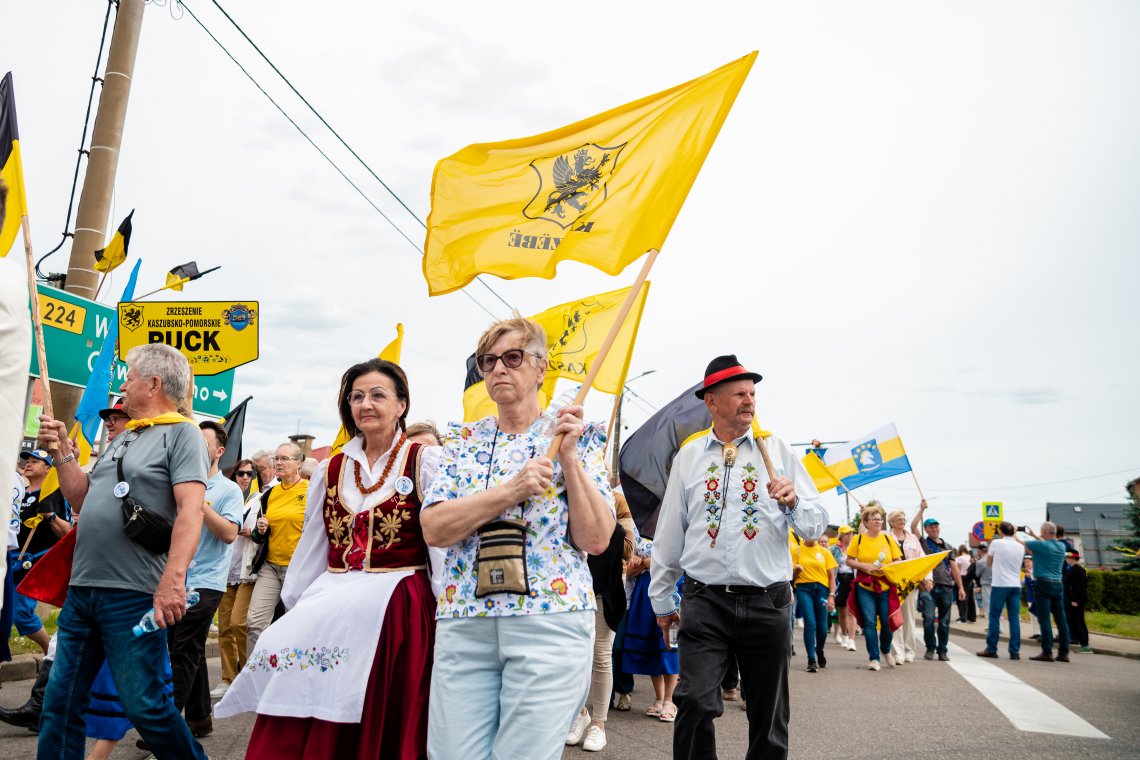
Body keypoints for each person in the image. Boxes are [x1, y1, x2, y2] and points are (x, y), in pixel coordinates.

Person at [217, 358, 441, 759]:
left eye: (377, 395)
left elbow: (440, 546)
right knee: (305, 691)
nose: (365, 404)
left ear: (402, 405)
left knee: (381, 707)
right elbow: (314, 546)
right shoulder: (330, 469)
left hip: (398, 609)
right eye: (356, 396)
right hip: (333, 600)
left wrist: (445, 610)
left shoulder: (424, 462)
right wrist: (300, 608)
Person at [421, 315, 615, 760]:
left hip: (549, 620)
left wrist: (569, 460)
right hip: (466, 621)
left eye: (512, 358)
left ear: (541, 367)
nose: (498, 369)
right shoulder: (464, 442)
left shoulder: (575, 438)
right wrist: (511, 491)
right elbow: (434, 527)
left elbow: (597, 539)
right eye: (487, 361)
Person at [34, 343, 210, 759]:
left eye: (129, 378)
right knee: (60, 702)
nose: (124, 385)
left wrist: (173, 581)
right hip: (84, 587)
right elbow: (84, 498)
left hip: (133, 592)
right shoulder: (126, 434)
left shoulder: (183, 433)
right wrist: (62, 453)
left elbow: (191, 510)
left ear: (154, 384)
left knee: (145, 706)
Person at [649, 355, 827, 760]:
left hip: (768, 600)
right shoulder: (690, 456)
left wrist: (794, 502)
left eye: (752, 393)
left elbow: (815, 527)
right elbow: (670, 532)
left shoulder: (777, 451)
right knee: (694, 701)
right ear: (711, 402)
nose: (749, 401)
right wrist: (662, 600)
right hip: (705, 600)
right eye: (739, 394)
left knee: (768, 713)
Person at [149, 420, 242, 744]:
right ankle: (200, 717)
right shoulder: (177, 484)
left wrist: (198, 501)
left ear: (218, 451)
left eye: (204, 443)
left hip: (206, 581)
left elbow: (229, 533)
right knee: (190, 648)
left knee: (183, 648)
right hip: (175, 576)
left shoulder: (229, 490)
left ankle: (166, 727)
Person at [566, 480, 635, 752]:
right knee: (575, 656)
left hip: (605, 590)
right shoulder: (569, 492)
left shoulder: (618, 501)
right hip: (572, 588)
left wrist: (605, 519)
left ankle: (599, 724)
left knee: (601, 654)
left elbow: (627, 550)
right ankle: (580, 713)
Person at [244, 442, 309, 656]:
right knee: (255, 624)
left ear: (298, 463)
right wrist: (261, 530)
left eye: (284, 459)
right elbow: (257, 535)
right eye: (276, 459)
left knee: (295, 626)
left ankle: (290, 671)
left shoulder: (311, 490)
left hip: (298, 568)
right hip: (270, 567)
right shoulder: (269, 494)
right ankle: (255, 671)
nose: (279, 463)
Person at [8, 449, 72, 656]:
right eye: (27, 460)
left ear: (48, 469)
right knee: (4, 611)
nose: (28, 464)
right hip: (9, 559)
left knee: (21, 613)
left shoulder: (54, 494)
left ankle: (49, 654)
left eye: (35, 461)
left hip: (31, 563)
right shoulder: (17, 491)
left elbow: (67, 532)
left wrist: (50, 514)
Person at [212, 457, 259, 698]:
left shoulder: (260, 498)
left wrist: (255, 532)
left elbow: (265, 530)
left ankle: (247, 675)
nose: (245, 478)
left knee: (239, 624)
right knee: (224, 627)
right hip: (226, 567)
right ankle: (228, 678)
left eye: (250, 474)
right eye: (241, 473)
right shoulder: (228, 494)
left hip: (247, 570)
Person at [845, 504, 903, 670]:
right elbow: (849, 560)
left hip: (885, 586)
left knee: (886, 621)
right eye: (874, 519)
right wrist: (864, 565)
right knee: (869, 622)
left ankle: (885, 649)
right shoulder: (858, 539)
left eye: (880, 519)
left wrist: (887, 567)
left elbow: (898, 561)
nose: (878, 521)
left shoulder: (888, 539)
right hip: (865, 586)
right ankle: (874, 658)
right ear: (866, 522)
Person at [911, 502, 966, 661]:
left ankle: (943, 650)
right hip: (928, 587)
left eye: (936, 527)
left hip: (947, 587)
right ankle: (930, 648)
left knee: (944, 622)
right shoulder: (923, 542)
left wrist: (960, 587)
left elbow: (954, 568)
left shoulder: (948, 546)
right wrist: (921, 510)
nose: (934, 529)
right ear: (926, 529)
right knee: (928, 619)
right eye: (931, 527)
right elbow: (913, 526)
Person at [977, 522, 1026, 660]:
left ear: (1000, 532)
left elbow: (988, 563)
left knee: (994, 616)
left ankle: (992, 649)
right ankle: (1014, 651)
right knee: (1014, 618)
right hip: (1015, 585)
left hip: (1000, 585)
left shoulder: (996, 543)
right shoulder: (1020, 546)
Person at [1023, 521, 1070, 662]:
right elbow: (1048, 544)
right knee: (1061, 619)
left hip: (1043, 583)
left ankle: (1047, 652)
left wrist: (1013, 533)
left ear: (1043, 532)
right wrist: (1035, 535)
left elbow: (1022, 544)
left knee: (1044, 619)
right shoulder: (1061, 546)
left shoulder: (1040, 545)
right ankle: (1064, 653)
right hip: (1058, 584)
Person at [792, 535, 836, 672]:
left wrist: (831, 596)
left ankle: (819, 650)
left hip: (822, 591)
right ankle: (811, 659)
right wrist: (796, 571)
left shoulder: (824, 552)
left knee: (822, 627)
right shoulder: (797, 550)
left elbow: (831, 577)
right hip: (803, 589)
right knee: (810, 623)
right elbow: (791, 577)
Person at [887, 508, 923, 664]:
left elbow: (921, 558)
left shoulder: (913, 538)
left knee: (909, 618)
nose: (902, 521)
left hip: (910, 582)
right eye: (899, 519)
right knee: (894, 617)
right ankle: (898, 652)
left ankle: (909, 651)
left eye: (903, 519)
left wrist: (927, 578)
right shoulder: (885, 537)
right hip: (892, 582)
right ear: (891, 522)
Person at [831, 525, 858, 651]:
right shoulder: (834, 549)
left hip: (852, 579)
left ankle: (852, 640)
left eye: (851, 534)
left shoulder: (855, 547)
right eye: (847, 534)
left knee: (851, 610)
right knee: (841, 610)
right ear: (841, 535)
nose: (850, 536)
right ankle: (845, 635)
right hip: (840, 579)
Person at [1064, 550, 1090, 653]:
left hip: (1076, 600)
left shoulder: (1075, 570)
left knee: (1077, 622)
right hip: (1079, 599)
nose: (1066, 560)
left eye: (1067, 558)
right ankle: (1085, 644)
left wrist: (1074, 600)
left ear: (1072, 558)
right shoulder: (1079, 569)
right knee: (1080, 621)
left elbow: (1078, 587)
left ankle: (1085, 646)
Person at [956, 546, 977, 623]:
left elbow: (957, 570)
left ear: (959, 550)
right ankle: (972, 617)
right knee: (971, 598)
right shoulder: (970, 557)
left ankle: (963, 617)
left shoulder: (959, 558)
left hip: (962, 578)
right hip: (970, 578)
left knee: (963, 598)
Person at [976, 543, 992, 620]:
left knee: (987, 604)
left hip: (986, 583)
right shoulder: (993, 559)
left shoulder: (980, 562)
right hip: (995, 583)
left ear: (979, 551)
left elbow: (977, 574)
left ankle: (991, 622)